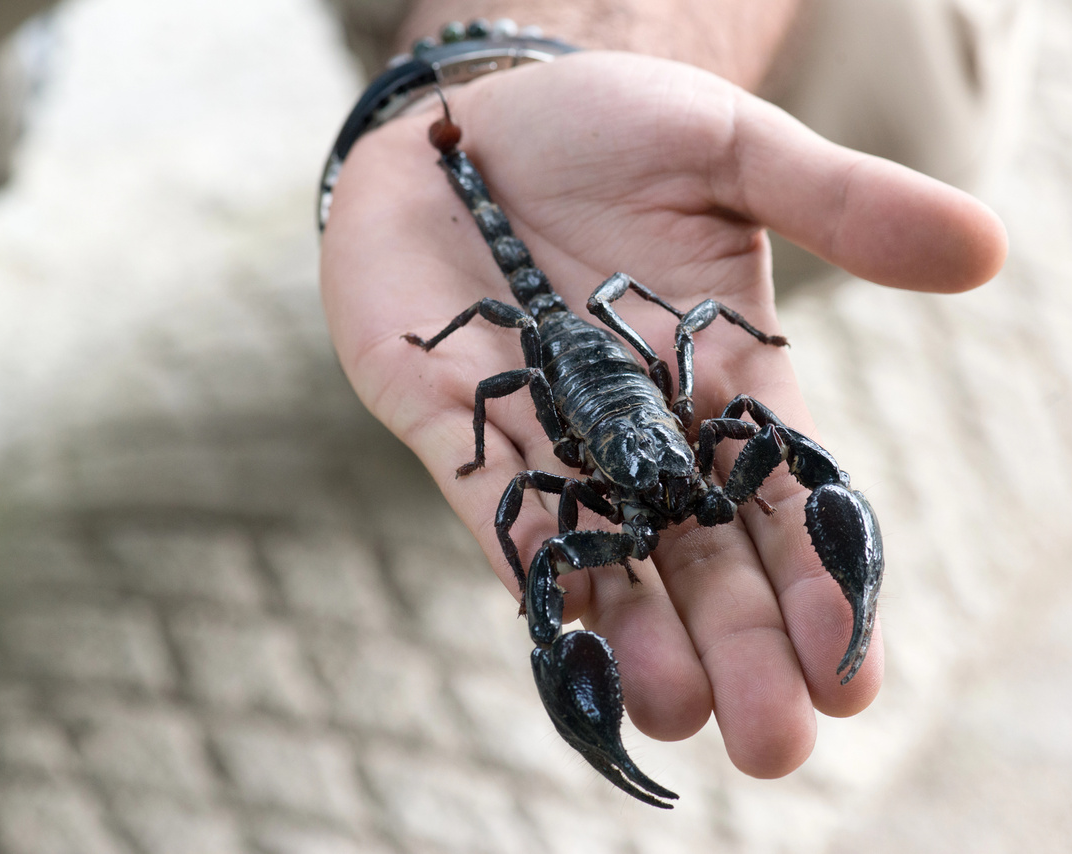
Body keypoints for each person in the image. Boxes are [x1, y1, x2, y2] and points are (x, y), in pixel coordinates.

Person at [320, 0, 1009, 781]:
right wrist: (495, 480)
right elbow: (536, 504)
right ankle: (454, 144)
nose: (685, 501)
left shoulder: (698, 435)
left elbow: (748, 411)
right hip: (576, 379)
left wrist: (705, 338)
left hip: (630, 387)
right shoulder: (585, 482)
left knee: (931, 139)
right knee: (520, 447)